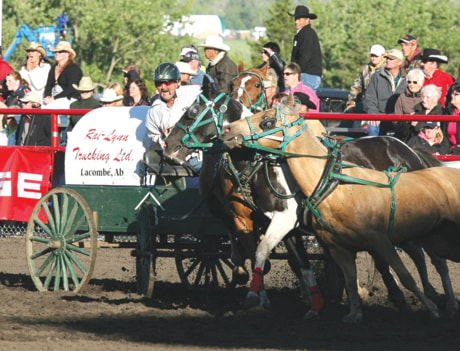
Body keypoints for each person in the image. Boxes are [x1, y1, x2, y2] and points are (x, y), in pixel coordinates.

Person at [146, 62, 201, 151]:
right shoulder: (154, 111)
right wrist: (163, 137)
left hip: (195, 152)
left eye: (167, 82)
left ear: (177, 82)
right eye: (159, 83)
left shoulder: (192, 94)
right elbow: (153, 135)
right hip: (172, 155)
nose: (163, 87)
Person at [363, 48, 407, 136]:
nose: (387, 60)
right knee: (372, 127)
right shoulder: (377, 76)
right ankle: (374, 149)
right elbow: (369, 98)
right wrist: (373, 115)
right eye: (387, 58)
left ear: (399, 62)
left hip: (399, 117)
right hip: (379, 116)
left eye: (391, 59)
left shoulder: (408, 79)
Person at [288, 5, 322, 91]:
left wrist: (296, 73)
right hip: (306, 75)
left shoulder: (307, 34)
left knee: (301, 102)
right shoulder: (303, 34)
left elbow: (305, 56)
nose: (296, 21)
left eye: (299, 19)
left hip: (306, 75)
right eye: (295, 19)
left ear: (307, 20)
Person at [346, 44, 386, 113]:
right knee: (347, 113)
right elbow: (357, 87)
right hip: (365, 102)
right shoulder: (365, 69)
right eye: (372, 56)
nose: (374, 58)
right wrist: (351, 102)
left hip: (381, 105)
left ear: (382, 56)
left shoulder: (387, 69)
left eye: (376, 56)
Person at [43, 41, 83, 109]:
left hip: (70, 99)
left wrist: (54, 98)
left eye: (60, 52)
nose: (57, 54)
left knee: (49, 108)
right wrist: (47, 96)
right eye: (55, 52)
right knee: (41, 107)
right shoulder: (53, 68)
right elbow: (48, 86)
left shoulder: (73, 68)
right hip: (54, 99)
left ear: (68, 54)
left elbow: (71, 89)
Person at [393, 68, 425, 141]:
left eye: (415, 82)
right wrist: (408, 119)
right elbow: (396, 119)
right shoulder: (402, 98)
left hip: (423, 131)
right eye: (409, 82)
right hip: (405, 132)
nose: (411, 85)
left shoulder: (426, 96)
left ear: (421, 82)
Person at [443, 80, 460, 154]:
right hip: (450, 151)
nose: (452, 95)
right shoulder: (448, 112)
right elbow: (444, 137)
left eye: (456, 94)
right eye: (452, 93)